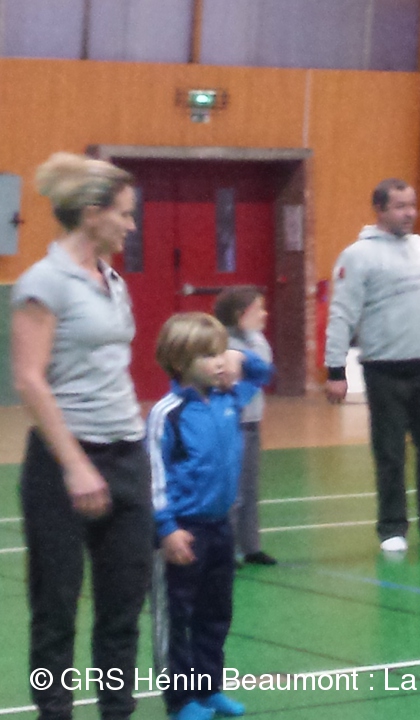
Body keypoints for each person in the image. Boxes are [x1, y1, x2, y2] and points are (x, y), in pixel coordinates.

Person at [12, 152, 152, 720]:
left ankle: (117, 711)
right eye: (124, 213)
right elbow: (29, 378)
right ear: (92, 214)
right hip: (62, 465)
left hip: (127, 456)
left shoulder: (112, 279)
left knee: (123, 608)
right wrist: (75, 465)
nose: (131, 225)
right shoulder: (43, 282)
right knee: (56, 609)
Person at [324, 178, 420, 552]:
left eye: (412, 205)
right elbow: (342, 314)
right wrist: (335, 370)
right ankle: (392, 528)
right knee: (390, 453)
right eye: (400, 207)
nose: (409, 213)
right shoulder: (358, 256)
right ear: (379, 209)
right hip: (384, 369)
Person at [148, 313, 273, 720]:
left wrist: (239, 356)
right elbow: (154, 478)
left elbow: (264, 373)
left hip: (221, 528)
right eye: (207, 355)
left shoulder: (229, 398)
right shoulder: (168, 413)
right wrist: (167, 529)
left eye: (220, 353)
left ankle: (208, 687)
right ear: (178, 362)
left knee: (215, 613)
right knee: (177, 617)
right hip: (183, 533)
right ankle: (179, 699)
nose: (219, 362)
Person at [213, 286, 276, 566]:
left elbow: (262, 368)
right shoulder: (222, 343)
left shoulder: (256, 340)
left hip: (251, 423)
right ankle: (225, 549)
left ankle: (251, 545)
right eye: (258, 309)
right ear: (240, 314)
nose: (264, 314)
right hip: (230, 425)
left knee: (249, 487)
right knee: (231, 489)